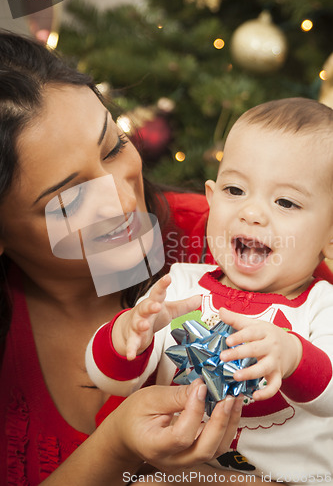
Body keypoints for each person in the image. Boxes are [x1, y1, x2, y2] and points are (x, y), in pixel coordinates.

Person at [0, 30, 257, 485]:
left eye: (114, 147)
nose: (122, 202)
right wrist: (116, 447)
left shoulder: (237, 242)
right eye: (71, 198)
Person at [86, 98, 333, 485]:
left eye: (285, 201)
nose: (252, 212)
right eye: (235, 190)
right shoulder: (179, 286)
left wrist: (293, 355)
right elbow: (112, 381)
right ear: (212, 198)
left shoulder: (322, 306)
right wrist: (126, 337)